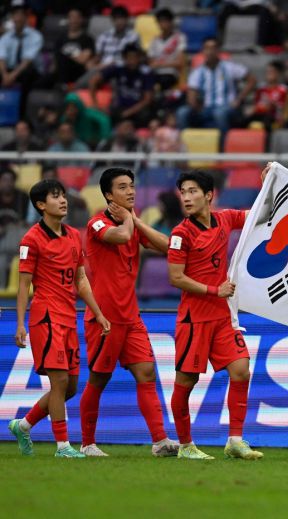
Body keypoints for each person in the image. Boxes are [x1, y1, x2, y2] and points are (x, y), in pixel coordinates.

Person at [78, 168, 178, 457]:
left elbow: (168, 247)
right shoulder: (97, 222)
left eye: (132, 186)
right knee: (99, 378)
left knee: (146, 372)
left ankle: (160, 441)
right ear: (109, 195)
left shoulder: (131, 224)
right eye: (123, 187)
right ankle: (87, 444)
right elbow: (121, 237)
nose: (131, 191)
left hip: (131, 316)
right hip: (104, 317)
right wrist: (129, 223)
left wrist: (134, 220)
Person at [8, 179, 111, 458]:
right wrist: (20, 323)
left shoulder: (73, 235)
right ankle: (63, 446)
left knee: (70, 387)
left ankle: (23, 424)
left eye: (63, 195)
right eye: (56, 196)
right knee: (60, 381)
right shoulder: (32, 239)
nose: (63, 200)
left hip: (68, 317)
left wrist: (98, 312)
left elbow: (80, 279)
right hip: (46, 317)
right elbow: (23, 284)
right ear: (41, 205)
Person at [167, 169, 264, 460]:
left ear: (209, 195)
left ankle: (235, 439)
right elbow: (176, 277)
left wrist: (270, 181)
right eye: (183, 192)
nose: (186, 197)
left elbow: (259, 213)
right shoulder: (180, 234)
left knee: (241, 370)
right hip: (194, 319)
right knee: (186, 383)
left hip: (221, 318)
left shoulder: (225, 218)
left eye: (193, 191)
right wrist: (214, 290)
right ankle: (185, 446)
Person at [177, 39, 256, 138]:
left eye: (213, 48)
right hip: (205, 110)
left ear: (218, 51)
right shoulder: (197, 72)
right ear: (202, 51)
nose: (209, 52)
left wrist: (239, 99)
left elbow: (252, 80)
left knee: (219, 113)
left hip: (227, 108)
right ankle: (184, 148)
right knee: (182, 112)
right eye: (207, 48)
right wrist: (196, 106)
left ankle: (222, 150)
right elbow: (191, 97)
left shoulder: (229, 67)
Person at [90, 44, 155, 126]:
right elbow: (93, 80)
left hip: (137, 109)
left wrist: (127, 113)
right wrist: (95, 104)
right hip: (120, 107)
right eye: (129, 58)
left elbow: (147, 100)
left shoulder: (146, 72)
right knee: (103, 115)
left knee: (145, 115)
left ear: (139, 58)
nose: (132, 61)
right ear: (124, 58)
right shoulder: (119, 67)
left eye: (135, 58)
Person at [0, 3, 43, 106]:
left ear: (25, 18)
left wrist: (11, 76)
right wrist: (5, 75)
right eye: (15, 15)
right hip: (9, 70)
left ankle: (22, 115)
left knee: (27, 74)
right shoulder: (6, 37)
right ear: (12, 18)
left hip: (29, 71)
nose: (17, 18)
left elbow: (27, 61)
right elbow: (1, 58)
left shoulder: (36, 36)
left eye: (20, 15)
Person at [147, 8, 188, 91]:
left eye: (166, 21)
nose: (163, 24)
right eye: (160, 21)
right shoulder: (154, 41)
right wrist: (158, 64)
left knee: (165, 80)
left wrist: (160, 64)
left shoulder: (179, 38)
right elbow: (151, 63)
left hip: (172, 72)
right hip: (156, 72)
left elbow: (179, 62)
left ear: (171, 22)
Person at [54, 8, 95, 85]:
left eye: (77, 17)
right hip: (60, 72)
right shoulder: (60, 39)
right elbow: (56, 61)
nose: (74, 20)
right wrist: (75, 55)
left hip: (78, 72)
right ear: (67, 20)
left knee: (63, 58)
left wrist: (67, 53)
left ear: (81, 19)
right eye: (71, 17)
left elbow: (83, 59)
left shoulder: (88, 39)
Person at [93, 5, 140, 69]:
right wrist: (93, 64)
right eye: (117, 19)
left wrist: (113, 64)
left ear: (127, 19)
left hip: (124, 68)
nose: (120, 22)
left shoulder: (133, 36)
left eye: (122, 19)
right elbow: (98, 56)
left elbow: (135, 57)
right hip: (104, 68)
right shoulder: (104, 36)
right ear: (112, 20)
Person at [250, 61, 288, 132]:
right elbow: (256, 104)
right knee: (243, 119)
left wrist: (273, 105)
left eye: (271, 72)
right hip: (260, 114)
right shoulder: (261, 89)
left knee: (267, 120)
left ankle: (266, 142)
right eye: (267, 72)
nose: (269, 74)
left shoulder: (283, 90)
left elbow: (284, 108)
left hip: (274, 116)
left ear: (278, 74)